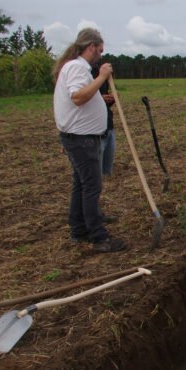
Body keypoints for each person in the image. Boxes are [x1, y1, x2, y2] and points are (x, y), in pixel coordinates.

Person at [53, 28, 126, 253]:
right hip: (82, 139)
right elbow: (77, 97)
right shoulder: (77, 67)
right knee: (92, 187)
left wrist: (98, 96)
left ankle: (78, 230)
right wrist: (102, 77)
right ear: (91, 46)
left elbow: (84, 95)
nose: (101, 56)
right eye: (100, 51)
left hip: (81, 138)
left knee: (81, 185)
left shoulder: (78, 68)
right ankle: (98, 237)